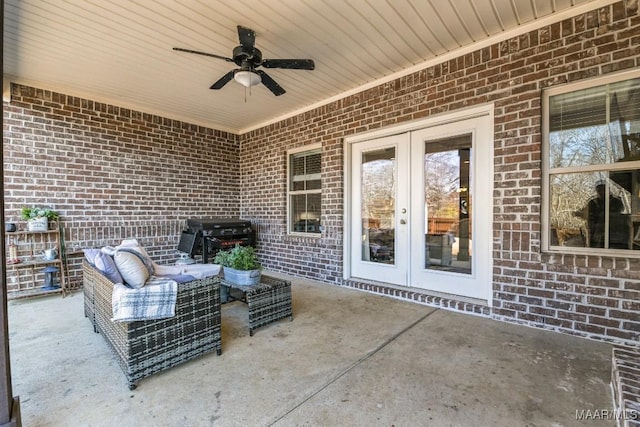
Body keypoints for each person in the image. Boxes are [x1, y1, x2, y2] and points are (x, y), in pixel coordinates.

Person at [575, 180, 627, 248]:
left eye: (603, 189)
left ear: (608, 190)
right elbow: (586, 214)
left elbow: (618, 213)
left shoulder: (617, 202)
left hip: (613, 234)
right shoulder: (592, 202)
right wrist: (579, 214)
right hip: (595, 234)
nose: (601, 192)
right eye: (599, 190)